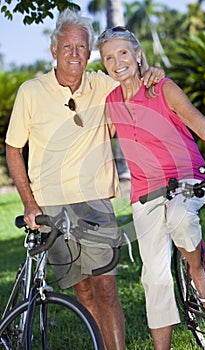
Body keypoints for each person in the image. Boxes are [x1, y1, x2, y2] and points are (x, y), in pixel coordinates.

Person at [5, 8, 165, 350]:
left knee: (106, 287)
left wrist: (151, 71)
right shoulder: (30, 92)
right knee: (82, 290)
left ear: (88, 50)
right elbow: (13, 149)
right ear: (54, 51)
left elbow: (134, 84)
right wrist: (29, 203)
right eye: (67, 47)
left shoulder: (102, 85)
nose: (75, 53)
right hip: (50, 205)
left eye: (81, 47)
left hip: (94, 202)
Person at [96, 27, 205, 350]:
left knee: (181, 217)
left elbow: (204, 127)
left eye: (124, 53)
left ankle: (196, 269)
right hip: (145, 193)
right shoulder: (110, 103)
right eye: (109, 58)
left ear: (138, 54)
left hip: (186, 177)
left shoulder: (163, 88)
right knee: (153, 279)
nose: (118, 62)